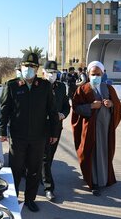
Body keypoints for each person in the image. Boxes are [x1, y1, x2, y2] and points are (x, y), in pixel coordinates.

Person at [0, 52, 59, 212]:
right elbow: (5, 110)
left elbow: (52, 111)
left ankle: (30, 200)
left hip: (39, 137)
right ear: (21, 67)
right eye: (26, 66)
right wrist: (2, 130)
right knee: (15, 169)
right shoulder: (12, 86)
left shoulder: (45, 86)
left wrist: (54, 132)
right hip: (18, 137)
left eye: (32, 66)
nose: (29, 69)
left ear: (38, 68)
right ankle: (13, 198)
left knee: (34, 170)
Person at [71, 61, 121, 196]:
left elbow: (118, 106)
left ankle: (104, 179)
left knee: (104, 152)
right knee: (90, 153)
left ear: (103, 74)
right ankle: (92, 181)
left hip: (105, 130)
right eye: (93, 74)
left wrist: (111, 104)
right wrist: (91, 107)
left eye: (98, 74)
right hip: (90, 131)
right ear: (88, 74)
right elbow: (76, 108)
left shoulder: (109, 89)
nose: (95, 77)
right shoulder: (82, 90)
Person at [41, 60, 70, 201]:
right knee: (44, 157)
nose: (52, 75)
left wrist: (63, 114)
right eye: (50, 72)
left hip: (56, 127)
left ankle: (43, 176)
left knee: (49, 156)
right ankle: (48, 187)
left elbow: (66, 105)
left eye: (54, 73)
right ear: (43, 73)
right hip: (40, 127)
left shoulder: (61, 87)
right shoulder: (38, 86)